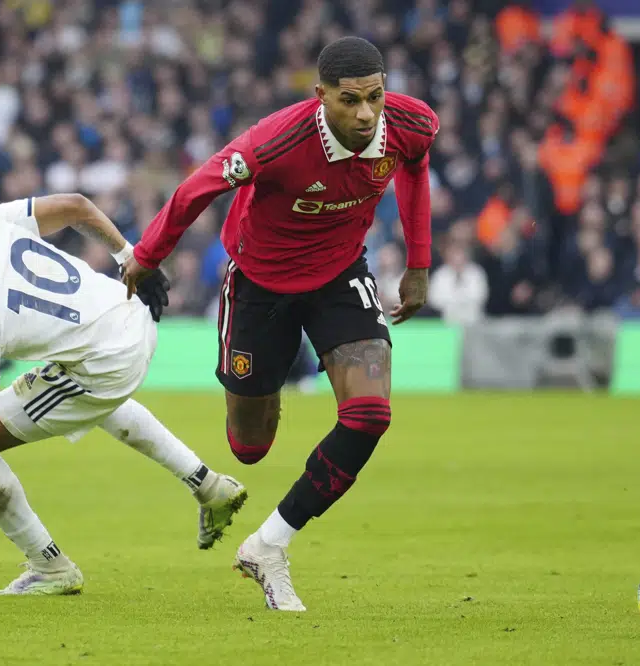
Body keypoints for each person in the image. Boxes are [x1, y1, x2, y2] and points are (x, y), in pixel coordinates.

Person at [121, 36, 439, 611]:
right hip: (259, 283)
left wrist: (418, 264)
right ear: (320, 97)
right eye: (349, 101)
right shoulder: (276, 141)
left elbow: (415, 168)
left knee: (370, 415)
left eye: (375, 97)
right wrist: (148, 254)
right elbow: (195, 190)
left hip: (340, 273)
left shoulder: (411, 125)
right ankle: (266, 390)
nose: (366, 114)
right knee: (249, 446)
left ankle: (269, 545)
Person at [0, 194, 248, 594]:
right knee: (85, 400)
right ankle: (209, 486)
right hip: (127, 309)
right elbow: (76, 205)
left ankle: (50, 567)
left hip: (107, 362)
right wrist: (133, 259)